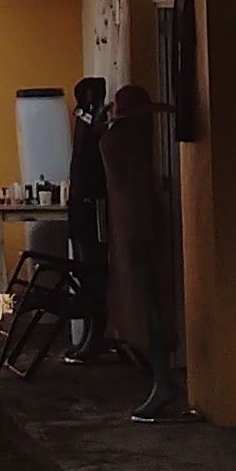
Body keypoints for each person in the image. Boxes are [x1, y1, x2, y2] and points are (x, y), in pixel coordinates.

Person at [100, 77, 181, 422]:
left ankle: (162, 380)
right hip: (139, 232)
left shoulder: (119, 138)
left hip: (132, 231)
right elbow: (136, 191)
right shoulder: (131, 140)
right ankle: (162, 380)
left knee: (150, 306)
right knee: (152, 307)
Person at [60, 74, 111, 364]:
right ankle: (89, 335)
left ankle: (95, 336)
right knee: (84, 272)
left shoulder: (94, 120)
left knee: (94, 273)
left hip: (92, 205)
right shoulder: (87, 119)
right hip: (82, 203)